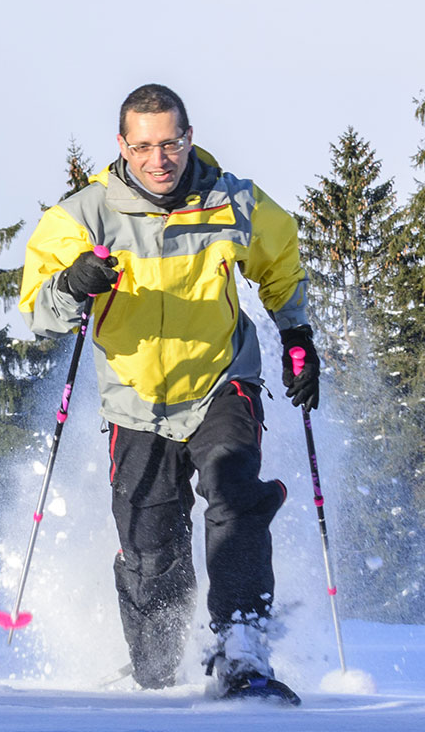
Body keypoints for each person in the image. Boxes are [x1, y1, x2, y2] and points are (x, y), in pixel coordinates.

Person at [20, 83, 314, 704]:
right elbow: (40, 310)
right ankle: (154, 673)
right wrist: (74, 282)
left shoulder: (232, 201)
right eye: (145, 145)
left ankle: (241, 656)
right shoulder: (86, 214)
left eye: (172, 143)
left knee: (235, 499)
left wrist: (298, 335)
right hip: (135, 399)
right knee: (151, 549)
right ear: (123, 146)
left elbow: (281, 261)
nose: (161, 158)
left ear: (188, 137)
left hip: (221, 380)